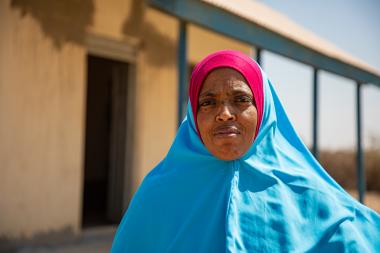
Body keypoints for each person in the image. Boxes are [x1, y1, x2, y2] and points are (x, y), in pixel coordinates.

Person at [110, 50, 380, 252]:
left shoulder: (307, 194)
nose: (224, 114)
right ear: (193, 115)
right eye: (208, 102)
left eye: (241, 100)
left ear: (262, 110)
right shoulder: (158, 195)